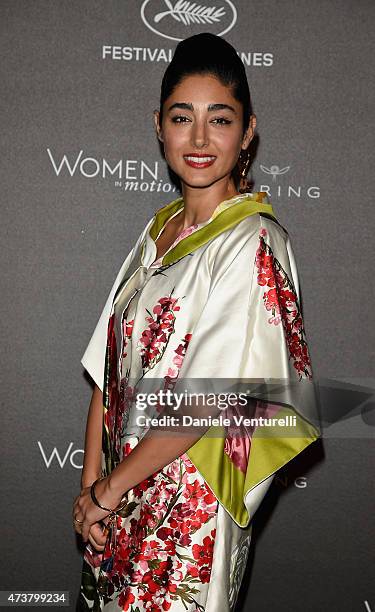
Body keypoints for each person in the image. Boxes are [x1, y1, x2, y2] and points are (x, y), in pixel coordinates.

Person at [73, 32, 320, 612]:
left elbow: (212, 402)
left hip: (187, 519)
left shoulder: (254, 241)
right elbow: (108, 377)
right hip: (115, 509)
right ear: (158, 124)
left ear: (248, 130)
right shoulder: (155, 233)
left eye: (221, 119)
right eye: (183, 117)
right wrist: (89, 494)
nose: (201, 138)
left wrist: (107, 492)